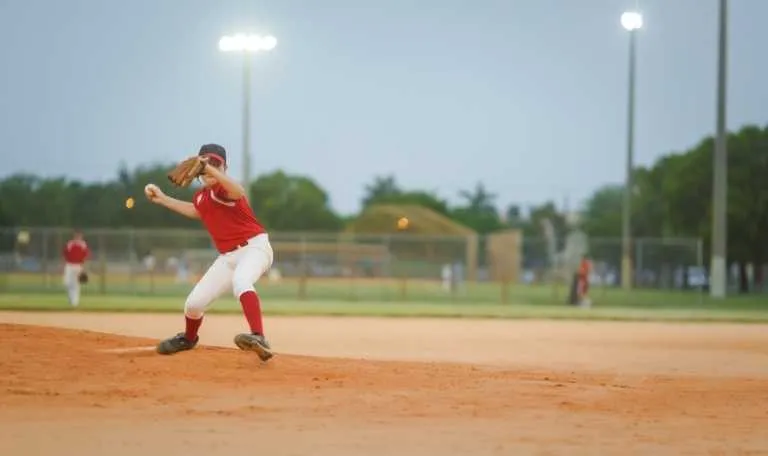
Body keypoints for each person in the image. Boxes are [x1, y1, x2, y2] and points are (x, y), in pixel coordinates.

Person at [144, 144, 274, 361]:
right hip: (228, 257)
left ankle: (259, 336)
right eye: (205, 162)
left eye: (216, 163)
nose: (209, 167)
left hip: (255, 248)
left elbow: (238, 191)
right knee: (193, 305)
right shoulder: (201, 196)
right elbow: (197, 210)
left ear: (225, 167)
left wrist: (209, 169)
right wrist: (163, 199)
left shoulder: (225, 189)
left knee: (241, 281)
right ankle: (189, 338)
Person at [62, 230, 89, 307]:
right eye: (76, 235)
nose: (78, 237)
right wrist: (64, 265)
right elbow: (64, 254)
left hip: (78, 265)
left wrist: (84, 268)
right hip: (69, 265)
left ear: (81, 236)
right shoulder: (69, 243)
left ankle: (75, 302)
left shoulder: (83, 244)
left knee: (76, 284)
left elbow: (85, 256)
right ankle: (71, 299)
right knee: (67, 283)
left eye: (79, 236)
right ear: (74, 236)